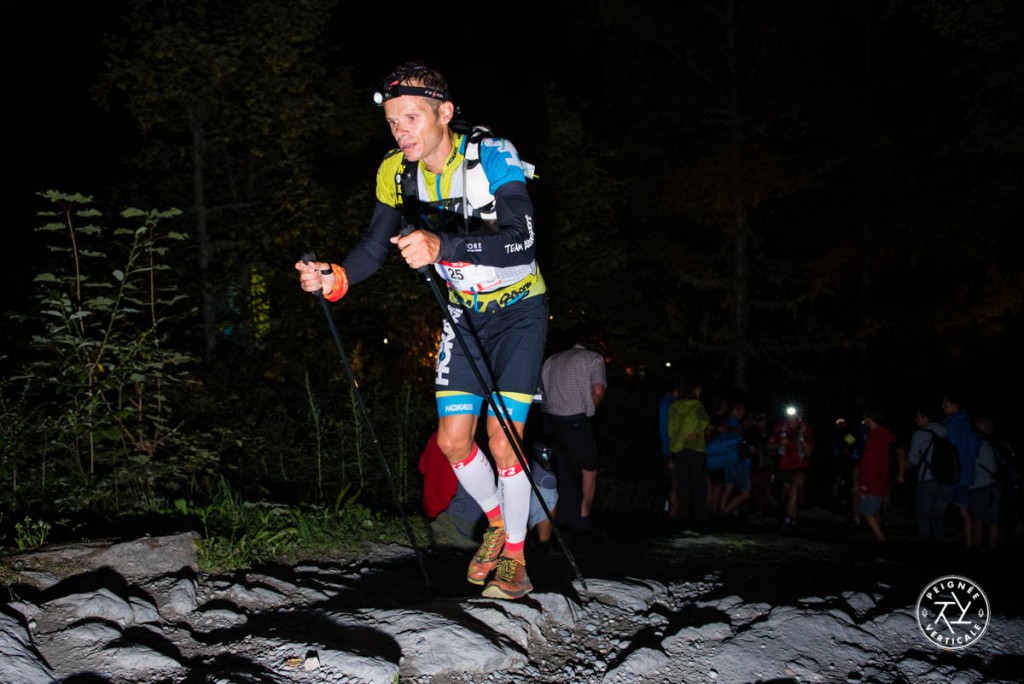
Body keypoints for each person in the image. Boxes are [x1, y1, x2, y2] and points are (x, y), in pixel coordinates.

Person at [296, 61, 548, 600]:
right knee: (452, 440)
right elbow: (373, 245)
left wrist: (443, 247)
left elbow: (522, 240)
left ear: (444, 113)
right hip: (464, 311)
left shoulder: (490, 155)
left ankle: (516, 559)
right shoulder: (396, 171)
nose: (401, 131)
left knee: (504, 442)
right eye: (392, 122)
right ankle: (498, 525)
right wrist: (335, 277)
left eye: (411, 117)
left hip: (519, 310)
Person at [419, 432, 559, 550]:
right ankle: (542, 545)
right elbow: (548, 480)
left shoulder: (443, 436)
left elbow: (425, 470)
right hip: (480, 524)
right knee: (545, 490)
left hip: (454, 519)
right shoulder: (502, 441)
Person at [539, 337, 607, 532]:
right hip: (575, 419)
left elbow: (542, 390)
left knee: (562, 468)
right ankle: (583, 517)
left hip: (551, 420)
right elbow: (598, 389)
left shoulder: (552, 358)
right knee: (589, 468)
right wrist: (591, 409)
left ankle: (558, 515)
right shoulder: (593, 358)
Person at [666, 378, 710, 527]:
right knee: (699, 484)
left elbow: (670, 429)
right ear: (693, 390)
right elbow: (704, 421)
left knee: (681, 484)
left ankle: (683, 516)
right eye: (698, 389)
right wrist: (694, 431)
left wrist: (678, 440)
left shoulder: (673, 407)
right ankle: (700, 517)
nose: (700, 391)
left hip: (678, 449)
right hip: (696, 448)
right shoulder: (697, 405)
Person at [906, 405, 952, 543]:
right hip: (943, 478)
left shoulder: (920, 434)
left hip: (926, 478)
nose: (915, 419)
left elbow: (913, 460)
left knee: (923, 515)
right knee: (937, 515)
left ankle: (925, 546)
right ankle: (939, 542)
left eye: (918, 416)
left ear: (926, 418)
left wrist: (918, 458)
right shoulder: (944, 432)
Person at [941, 393, 980, 548]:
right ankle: (969, 544)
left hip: (952, 475)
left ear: (955, 405)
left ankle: (937, 542)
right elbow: (975, 449)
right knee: (964, 511)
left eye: (945, 403)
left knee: (940, 508)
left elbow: (947, 450)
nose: (942, 406)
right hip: (966, 475)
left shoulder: (951, 425)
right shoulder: (969, 425)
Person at [857, 404, 898, 542]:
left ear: (869, 418)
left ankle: (882, 540)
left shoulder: (875, 438)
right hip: (881, 480)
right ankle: (877, 534)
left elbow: (871, 464)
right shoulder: (883, 435)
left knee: (867, 512)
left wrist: (864, 486)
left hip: (873, 482)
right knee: (873, 511)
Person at [768, 406, 814, 528]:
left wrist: (802, 437)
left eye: (795, 416)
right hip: (784, 467)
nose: (792, 419)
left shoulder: (805, 430)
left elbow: (809, 452)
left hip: (801, 466)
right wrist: (779, 443)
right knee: (791, 494)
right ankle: (794, 520)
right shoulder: (780, 429)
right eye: (790, 416)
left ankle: (787, 521)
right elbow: (768, 446)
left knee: (794, 490)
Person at [970, 416, 1001, 549]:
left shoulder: (978, 443)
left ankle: (976, 548)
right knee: (993, 523)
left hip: (980, 487)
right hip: (995, 486)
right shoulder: (994, 444)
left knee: (978, 522)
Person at [658, 380, 680, 520]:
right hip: (671, 450)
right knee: (675, 486)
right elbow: (668, 430)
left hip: (670, 449)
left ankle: (672, 515)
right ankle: (672, 517)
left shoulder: (666, 403)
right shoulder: (669, 404)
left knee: (676, 485)